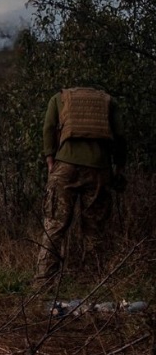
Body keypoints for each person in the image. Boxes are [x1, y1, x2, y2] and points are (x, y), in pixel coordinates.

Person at [34, 86, 126, 287]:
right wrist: (119, 167)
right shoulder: (110, 101)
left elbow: (48, 128)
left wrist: (50, 160)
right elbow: (120, 136)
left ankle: (43, 282)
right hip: (99, 169)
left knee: (54, 225)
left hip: (64, 168)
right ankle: (93, 282)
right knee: (94, 228)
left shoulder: (59, 98)